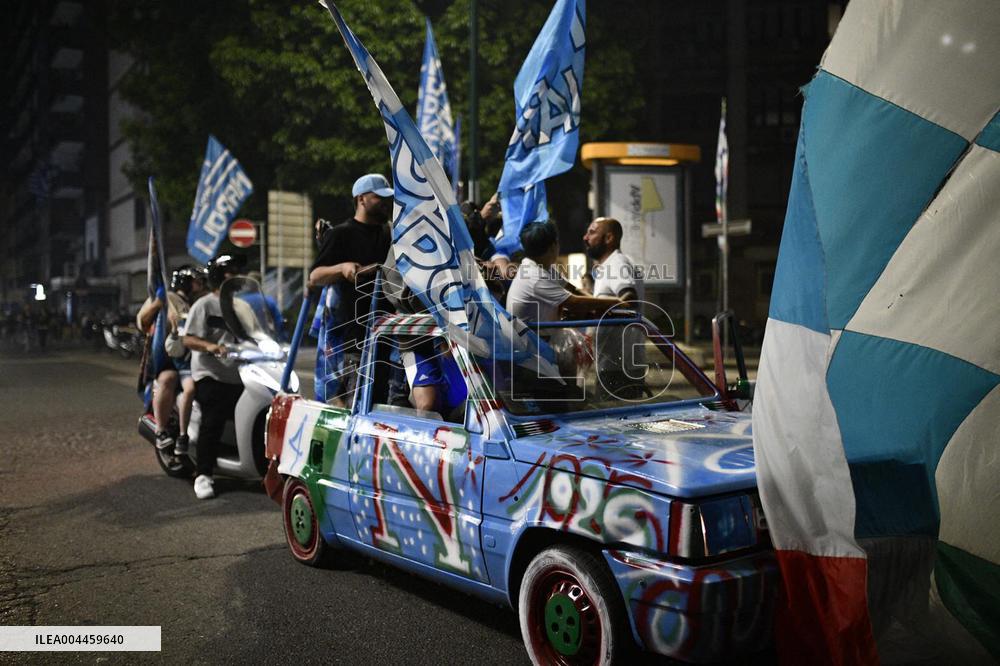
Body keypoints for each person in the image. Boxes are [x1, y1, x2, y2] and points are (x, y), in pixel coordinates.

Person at [307, 173, 393, 404]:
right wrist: (342, 268)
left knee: (384, 404)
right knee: (354, 403)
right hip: (354, 337)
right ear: (361, 199)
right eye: (379, 197)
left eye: (387, 198)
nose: (385, 203)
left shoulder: (391, 234)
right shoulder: (341, 234)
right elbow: (315, 276)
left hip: (389, 334)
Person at [182, 255, 245, 500]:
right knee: (214, 417)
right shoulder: (204, 305)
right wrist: (211, 346)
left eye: (238, 272)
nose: (237, 276)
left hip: (239, 374)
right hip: (210, 373)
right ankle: (203, 474)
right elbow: (188, 339)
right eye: (231, 272)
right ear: (219, 277)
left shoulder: (242, 307)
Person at [136, 267, 207, 452]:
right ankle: (161, 431)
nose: (200, 286)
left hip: (196, 357)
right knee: (168, 378)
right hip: (169, 357)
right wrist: (157, 304)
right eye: (197, 282)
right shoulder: (168, 298)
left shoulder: (199, 302)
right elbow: (142, 322)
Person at [506, 221, 623, 323]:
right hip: (531, 340)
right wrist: (617, 302)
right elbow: (574, 303)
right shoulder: (535, 277)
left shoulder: (541, 267)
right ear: (553, 246)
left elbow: (571, 289)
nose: (586, 238)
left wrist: (603, 305)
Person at [582, 217, 646, 398]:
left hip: (619, 369)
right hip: (616, 365)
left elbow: (629, 300)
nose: (585, 237)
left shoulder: (617, 263)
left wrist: (588, 307)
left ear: (609, 238)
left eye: (592, 232)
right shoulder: (610, 265)